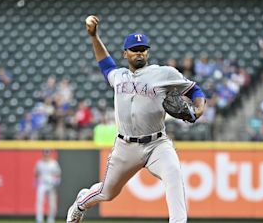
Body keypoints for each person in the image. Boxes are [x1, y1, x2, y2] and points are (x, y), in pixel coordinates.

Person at [66, 15, 206, 223]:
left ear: (148, 52)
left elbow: (194, 89)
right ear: (125, 54)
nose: (139, 53)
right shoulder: (119, 76)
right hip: (126, 146)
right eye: (134, 49)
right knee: (107, 193)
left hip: (157, 143)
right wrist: (94, 37)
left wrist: (199, 109)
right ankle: (80, 204)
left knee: (174, 174)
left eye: (143, 49)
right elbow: (105, 64)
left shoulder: (164, 74)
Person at [35, 149, 61, 223]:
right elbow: (36, 174)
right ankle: (39, 219)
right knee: (40, 202)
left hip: (51, 184)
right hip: (42, 183)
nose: (46, 156)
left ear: (49, 155)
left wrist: (56, 181)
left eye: (47, 154)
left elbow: (58, 174)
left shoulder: (53, 163)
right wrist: (36, 181)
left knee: (52, 203)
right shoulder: (39, 163)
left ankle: (51, 219)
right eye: (45, 154)